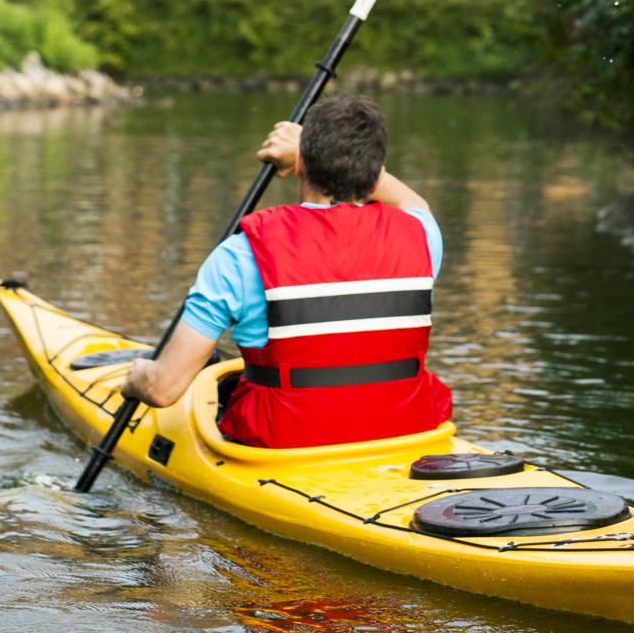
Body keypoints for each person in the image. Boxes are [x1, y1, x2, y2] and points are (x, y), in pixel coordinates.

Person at [123, 92, 451, 451]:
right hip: (404, 435)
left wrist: (137, 377)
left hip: (282, 447)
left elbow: (163, 389)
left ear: (300, 167)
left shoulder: (240, 255)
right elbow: (412, 201)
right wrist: (318, 154)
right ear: (377, 179)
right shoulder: (421, 237)